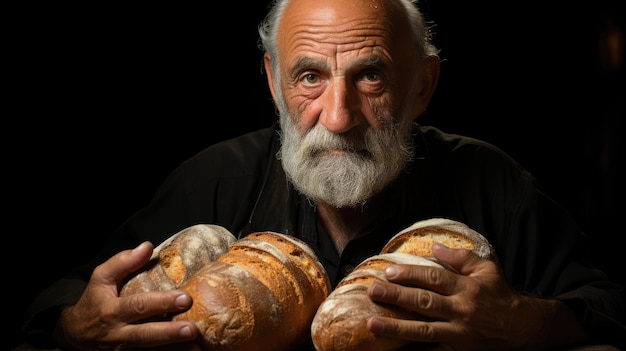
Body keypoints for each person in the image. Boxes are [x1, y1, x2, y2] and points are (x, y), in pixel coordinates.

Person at [19, 0, 625, 350]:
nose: (337, 118)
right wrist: (78, 324)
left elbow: (609, 309)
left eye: (371, 76)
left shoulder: (492, 183)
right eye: (309, 76)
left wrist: (520, 320)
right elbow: (69, 302)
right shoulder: (215, 180)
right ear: (272, 81)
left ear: (422, 85)